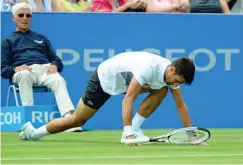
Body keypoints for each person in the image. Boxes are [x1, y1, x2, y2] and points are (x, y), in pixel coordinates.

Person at [19, 51, 196, 144]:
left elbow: (181, 105)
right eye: (177, 80)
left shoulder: (170, 78)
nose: (175, 83)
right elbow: (129, 98)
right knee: (76, 120)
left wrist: (192, 135)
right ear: (172, 69)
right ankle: (34, 133)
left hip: (125, 81)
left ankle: (135, 129)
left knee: (162, 90)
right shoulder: (149, 68)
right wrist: (126, 133)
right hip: (105, 78)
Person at [1, 2, 81, 132]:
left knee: (58, 79)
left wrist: (55, 65)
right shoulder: (7, 41)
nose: (25, 18)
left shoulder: (41, 38)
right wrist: (16, 69)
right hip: (24, 71)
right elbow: (3, 69)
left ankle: (68, 120)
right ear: (13, 18)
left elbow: (56, 59)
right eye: (21, 15)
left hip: (44, 69)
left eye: (28, 15)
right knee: (25, 75)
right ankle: (28, 122)